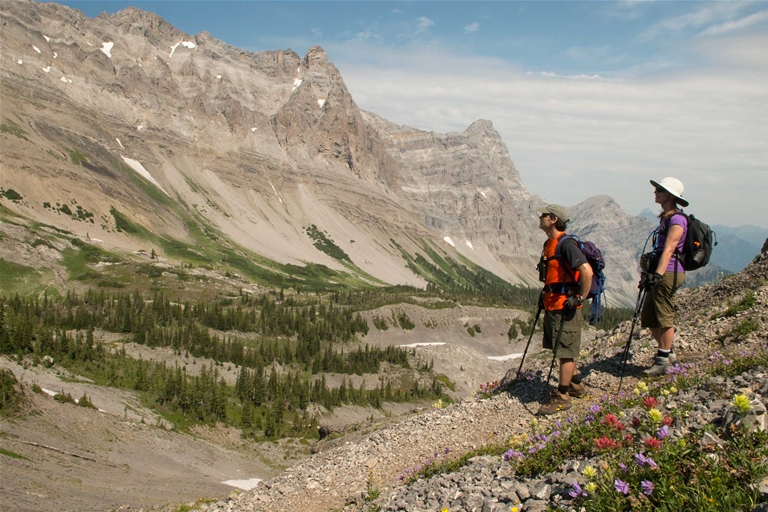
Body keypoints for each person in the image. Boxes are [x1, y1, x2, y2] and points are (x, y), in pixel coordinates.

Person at [536, 204, 593, 415]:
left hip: (566, 305)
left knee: (565, 351)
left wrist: (579, 298)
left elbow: (586, 271)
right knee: (561, 348)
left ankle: (562, 396)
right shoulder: (548, 244)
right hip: (553, 303)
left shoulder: (565, 244)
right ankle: (575, 385)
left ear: (552, 219)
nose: (539, 217)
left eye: (543, 215)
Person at [640, 177, 689, 376]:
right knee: (650, 317)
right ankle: (667, 354)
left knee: (664, 315)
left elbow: (669, 249)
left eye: (660, 190)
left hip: (668, 271)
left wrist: (657, 275)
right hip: (661, 271)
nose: (656, 192)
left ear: (670, 195)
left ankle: (662, 361)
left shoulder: (677, 219)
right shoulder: (666, 218)